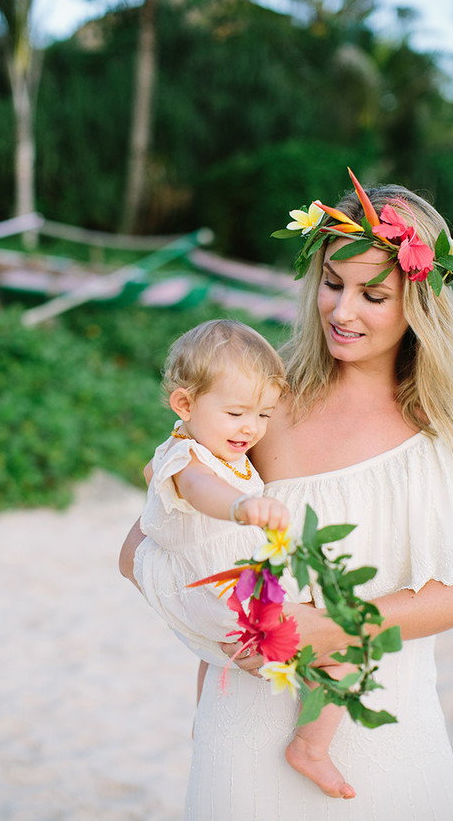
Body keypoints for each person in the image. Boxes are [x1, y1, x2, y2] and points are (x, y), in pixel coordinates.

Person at [120, 170, 453, 820]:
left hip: (391, 730)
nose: (342, 312)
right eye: (333, 284)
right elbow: (147, 547)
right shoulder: (264, 406)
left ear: (421, 299)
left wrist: (343, 626)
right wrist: (226, 630)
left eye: (374, 294)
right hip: (248, 730)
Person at [134, 318, 356, 799]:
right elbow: (202, 489)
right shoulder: (187, 459)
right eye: (236, 413)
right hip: (224, 593)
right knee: (342, 652)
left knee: (214, 657)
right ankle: (310, 748)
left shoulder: (217, 448)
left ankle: (204, 719)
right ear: (185, 404)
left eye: (263, 414)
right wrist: (238, 506)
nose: (251, 428)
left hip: (224, 590)